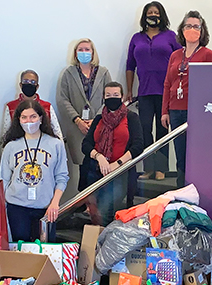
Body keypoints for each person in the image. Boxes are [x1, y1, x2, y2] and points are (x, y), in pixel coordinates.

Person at [126, 1, 181, 182]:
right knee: (144, 130)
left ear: (161, 15)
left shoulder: (171, 36)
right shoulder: (136, 38)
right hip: (144, 92)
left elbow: (181, 63)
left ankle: (161, 169)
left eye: (156, 12)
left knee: (163, 130)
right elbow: (130, 66)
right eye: (150, 12)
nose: (153, 15)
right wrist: (128, 90)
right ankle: (148, 168)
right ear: (144, 16)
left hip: (166, 92)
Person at [0, 100, 69, 242]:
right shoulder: (11, 147)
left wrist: (55, 203)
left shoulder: (55, 144)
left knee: (44, 252)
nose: (28, 121)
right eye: (24, 117)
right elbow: (4, 179)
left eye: (33, 117)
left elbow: (62, 177)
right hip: (17, 206)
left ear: (41, 118)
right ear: (18, 120)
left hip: (46, 207)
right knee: (20, 250)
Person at [161, 11, 212, 188]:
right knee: (180, 154)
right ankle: (181, 190)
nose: (192, 29)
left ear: (202, 30)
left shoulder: (207, 54)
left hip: (196, 111)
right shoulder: (175, 55)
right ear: (182, 29)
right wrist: (164, 111)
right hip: (175, 110)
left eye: (196, 26)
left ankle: (197, 189)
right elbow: (167, 84)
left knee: (196, 154)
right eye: (188, 26)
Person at [80, 82, 144, 226]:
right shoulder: (98, 119)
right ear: (103, 97)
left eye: (116, 95)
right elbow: (86, 145)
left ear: (122, 97)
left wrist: (117, 164)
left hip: (120, 174)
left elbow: (138, 146)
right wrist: (99, 156)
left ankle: (105, 246)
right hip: (95, 172)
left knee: (107, 212)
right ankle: (94, 245)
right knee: (95, 214)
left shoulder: (131, 117)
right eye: (108, 95)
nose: (112, 98)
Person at [57, 38, 112, 165]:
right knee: (83, 166)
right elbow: (63, 99)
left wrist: (97, 119)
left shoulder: (103, 73)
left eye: (87, 49)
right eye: (80, 50)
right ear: (75, 53)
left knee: (100, 163)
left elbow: (109, 98)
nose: (84, 52)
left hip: (100, 124)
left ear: (93, 52)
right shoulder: (68, 74)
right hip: (77, 127)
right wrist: (78, 120)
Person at [2, 69, 63, 142]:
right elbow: (6, 135)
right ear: (20, 85)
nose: (29, 84)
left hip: (43, 146)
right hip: (18, 148)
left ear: (37, 86)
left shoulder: (47, 107)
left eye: (33, 82)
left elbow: (57, 133)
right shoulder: (11, 107)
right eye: (26, 81)